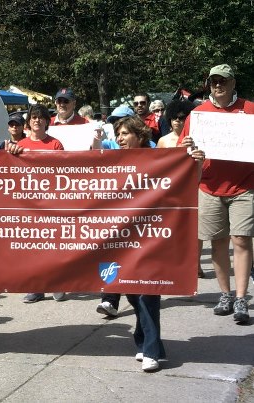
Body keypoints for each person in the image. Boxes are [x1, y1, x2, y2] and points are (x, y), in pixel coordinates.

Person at [94, 116, 205, 371]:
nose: (119, 139)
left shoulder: (160, 158)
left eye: (124, 134)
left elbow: (186, 184)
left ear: (140, 136)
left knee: (147, 292)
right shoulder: (113, 159)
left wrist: (196, 165)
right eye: (117, 134)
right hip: (122, 239)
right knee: (134, 293)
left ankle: (151, 349)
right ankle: (143, 337)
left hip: (153, 237)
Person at [178, 63, 254, 324]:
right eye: (214, 81)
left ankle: (242, 297)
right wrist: (187, 148)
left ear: (234, 83)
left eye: (223, 81)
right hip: (209, 188)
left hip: (244, 186)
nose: (218, 85)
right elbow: (182, 153)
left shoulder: (250, 110)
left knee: (241, 239)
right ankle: (226, 294)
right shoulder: (198, 114)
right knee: (218, 241)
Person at [16, 104, 65, 303]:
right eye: (33, 117)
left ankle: (56, 283)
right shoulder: (20, 144)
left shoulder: (55, 144)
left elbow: (64, 173)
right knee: (31, 246)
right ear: (29, 121)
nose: (37, 120)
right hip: (27, 203)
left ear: (47, 121)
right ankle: (35, 287)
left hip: (50, 202)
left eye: (41, 117)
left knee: (52, 245)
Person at [157, 99, 206, 278]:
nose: (178, 120)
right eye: (175, 117)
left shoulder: (197, 139)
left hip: (193, 187)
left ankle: (196, 262)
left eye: (182, 117)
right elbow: (159, 166)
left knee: (195, 228)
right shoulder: (163, 141)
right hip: (171, 189)